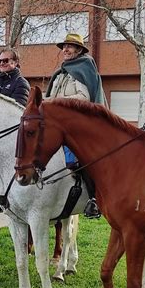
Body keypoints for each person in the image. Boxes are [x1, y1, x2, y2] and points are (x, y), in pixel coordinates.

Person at [45, 33, 107, 219]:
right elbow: (50, 98)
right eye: (64, 46)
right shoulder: (60, 73)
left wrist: (57, 101)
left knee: (80, 159)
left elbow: (84, 98)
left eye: (70, 46)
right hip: (57, 123)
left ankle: (93, 199)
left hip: (78, 124)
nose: (65, 49)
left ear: (79, 50)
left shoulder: (84, 70)